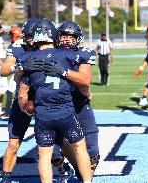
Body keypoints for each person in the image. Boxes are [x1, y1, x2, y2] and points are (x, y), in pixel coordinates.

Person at [18, 18, 92, 183]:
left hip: (43, 114)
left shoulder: (28, 59)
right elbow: (83, 79)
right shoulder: (67, 54)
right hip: (66, 112)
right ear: (53, 35)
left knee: (44, 155)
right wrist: (86, 93)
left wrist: (25, 108)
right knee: (80, 148)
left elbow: (22, 92)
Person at [47, 20, 99, 182]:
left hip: (78, 102)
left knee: (92, 152)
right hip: (55, 104)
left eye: (72, 36)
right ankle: (66, 169)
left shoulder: (84, 53)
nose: (68, 39)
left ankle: (86, 179)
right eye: (64, 36)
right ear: (57, 37)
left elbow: (84, 81)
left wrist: (85, 90)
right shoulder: (48, 53)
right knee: (53, 152)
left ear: (78, 38)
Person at [0, 19, 38, 183]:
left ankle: (63, 169)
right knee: (13, 143)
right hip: (23, 98)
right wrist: (18, 67)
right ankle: (6, 177)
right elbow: (3, 71)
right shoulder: (17, 47)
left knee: (57, 141)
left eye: (34, 35)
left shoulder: (49, 47)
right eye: (28, 35)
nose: (31, 39)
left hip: (47, 98)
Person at [5, 26, 23, 115]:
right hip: (17, 72)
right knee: (10, 90)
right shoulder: (13, 46)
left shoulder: (16, 46)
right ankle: (8, 111)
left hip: (24, 73)